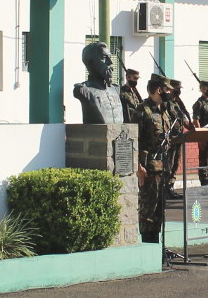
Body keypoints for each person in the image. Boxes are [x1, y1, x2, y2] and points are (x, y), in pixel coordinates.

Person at [133, 74, 175, 244]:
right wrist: (138, 167)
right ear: (159, 89)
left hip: (163, 167)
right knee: (148, 211)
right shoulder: (143, 110)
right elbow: (132, 140)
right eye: (167, 89)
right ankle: (148, 247)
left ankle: (158, 247)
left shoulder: (164, 110)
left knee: (159, 210)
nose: (170, 92)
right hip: (148, 167)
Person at [73, 41, 124, 125]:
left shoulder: (115, 89)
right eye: (104, 57)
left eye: (110, 57)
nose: (110, 62)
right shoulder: (83, 90)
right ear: (90, 62)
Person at [165, 79, 193, 199]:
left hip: (179, 138)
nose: (179, 91)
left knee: (176, 163)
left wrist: (193, 128)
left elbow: (183, 120)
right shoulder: (166, 103)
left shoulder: (177, 103)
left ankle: (171, 186)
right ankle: (165, 188)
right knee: (169, 164)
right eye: (177, 89)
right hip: (170, 139)